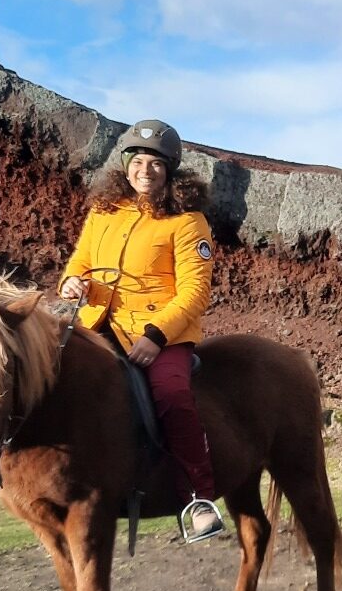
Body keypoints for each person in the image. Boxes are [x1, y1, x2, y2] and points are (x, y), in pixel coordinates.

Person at [59, 119, 225, 542]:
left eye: (155, 163)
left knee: (172, 395)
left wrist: (156, 336)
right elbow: (78, 263)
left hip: (160, 332)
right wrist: (71, 283)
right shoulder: (103, 211)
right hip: (97, 322)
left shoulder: (188, 223)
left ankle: (198, 498)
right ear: (125, 164)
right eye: (137, 161)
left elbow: (195, 292)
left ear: (171, 170)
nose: (145, 170)